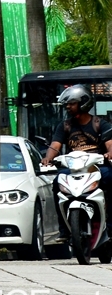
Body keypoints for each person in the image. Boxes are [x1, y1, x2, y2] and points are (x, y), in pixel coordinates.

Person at [40, 84, 112, 234]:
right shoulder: (65, 126)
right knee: (57, 181)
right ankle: (64, 230)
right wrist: (48, 158)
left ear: (84, 103)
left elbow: (110, 144)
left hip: (97, 167)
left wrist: (109, 153)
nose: (68, 107)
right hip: (73, 169)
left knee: (110, 177)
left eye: (72, 103)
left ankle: (110, 224)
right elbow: (55, 146)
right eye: (67, 104)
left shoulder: (100, 124)